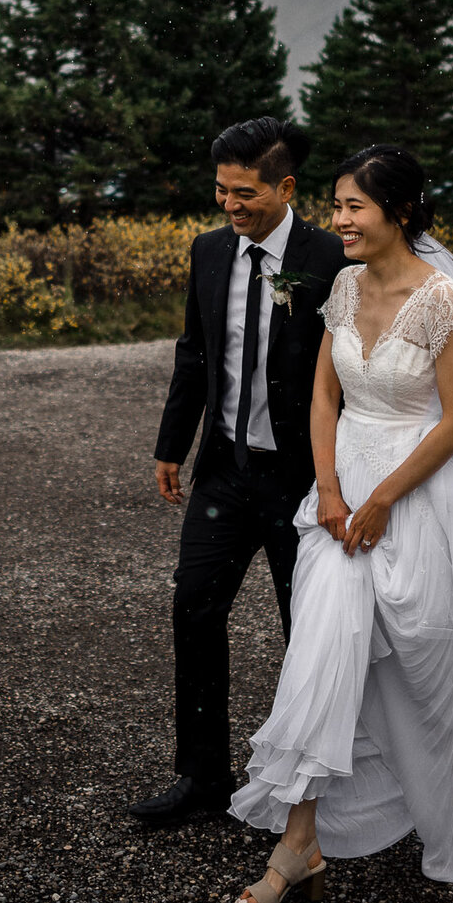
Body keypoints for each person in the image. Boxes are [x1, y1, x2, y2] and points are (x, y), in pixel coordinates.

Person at [228, 145, 453, 903]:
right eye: (336, 204)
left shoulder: (441, 298)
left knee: (430, 673)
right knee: (322, 644)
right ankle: (299, 840)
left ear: (401, 212)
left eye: (354, 205)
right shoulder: (347, 287)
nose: (339, 219)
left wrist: (382, 498)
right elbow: (325, 398)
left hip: (416, 494)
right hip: (340, 490)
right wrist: (329, 489)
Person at [128, 117, 350, 825]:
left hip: (303, 482)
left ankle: (310, 793)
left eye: (245, 192)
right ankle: (202, 778)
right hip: (224, 470)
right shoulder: (208, 251)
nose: (229, 204)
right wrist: (172, 445)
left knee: (306, 633)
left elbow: (354, 374)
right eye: (221, 190)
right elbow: (194, 353)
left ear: (286, 187)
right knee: (193, 607)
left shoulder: (331, 258)